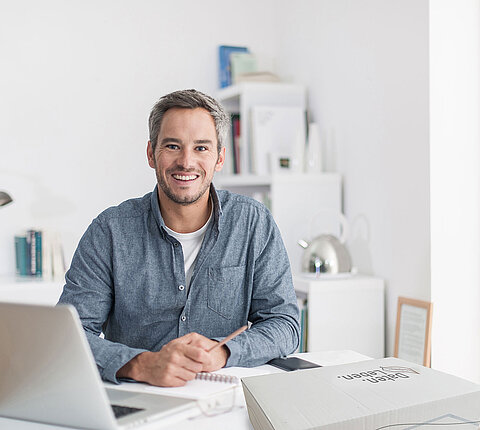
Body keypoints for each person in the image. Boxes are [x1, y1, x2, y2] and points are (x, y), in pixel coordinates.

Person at [58, 89, 300, 387]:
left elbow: (285, 325)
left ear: (220, 157)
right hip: (137, 399)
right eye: (173, 146)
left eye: (201, 148)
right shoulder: (109, 231)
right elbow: (68, 336)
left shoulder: (253, 223)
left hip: (220, 398)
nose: (186, 162)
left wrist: (223, 352)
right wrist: (142, 365)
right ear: (151, 154)